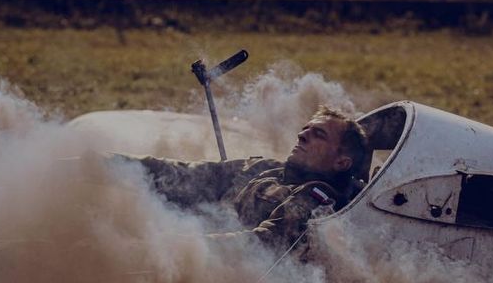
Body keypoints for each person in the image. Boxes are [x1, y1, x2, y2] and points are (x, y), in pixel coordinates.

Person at [127, 106, 371, 252]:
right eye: (305, 129)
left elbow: (261, 245)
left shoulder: (318, 200)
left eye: (318, 134)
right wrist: (106, 165)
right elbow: (186, 176)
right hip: (181, 240)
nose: (301, 135)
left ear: (341, 162)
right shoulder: (264, 168)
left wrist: (175, 245)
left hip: (209, 276)